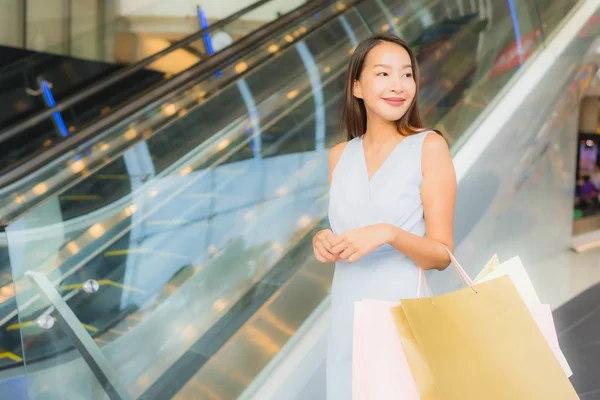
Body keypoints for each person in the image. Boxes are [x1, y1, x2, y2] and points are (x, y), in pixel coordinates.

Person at [312, 33, 457, 399]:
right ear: (357, 86)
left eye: (406, 75)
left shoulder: (429, 146)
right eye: (384, 74)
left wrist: (389, 233)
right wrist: (325, 240)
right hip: (347, 314)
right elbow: (347, 235)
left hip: (401, 315)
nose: (399, 86)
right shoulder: (339, 156)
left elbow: (442, 255)